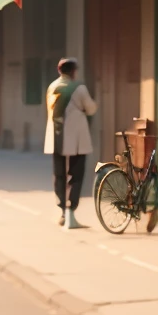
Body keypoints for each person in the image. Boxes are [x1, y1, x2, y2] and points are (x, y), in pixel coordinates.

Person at [44, 57, 97, 230]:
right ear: (73, 71)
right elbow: (91, 108)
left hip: (56, 137)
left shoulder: (52, 87)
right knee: (76, 175)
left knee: (59, 175)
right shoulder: (79, 88)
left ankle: (61, 210)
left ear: (59, 71)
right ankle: (71, 211)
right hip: (76, 138)